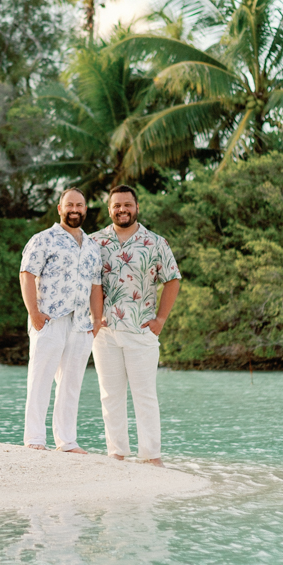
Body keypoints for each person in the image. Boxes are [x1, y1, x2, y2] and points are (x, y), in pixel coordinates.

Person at [91, 185, 181, 466]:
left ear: (136, 207)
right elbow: (88, 283)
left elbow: (172, 280)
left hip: (142, 331)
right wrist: (94, 318)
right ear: (109, 209)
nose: (122, 209)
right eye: (117, 205)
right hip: (105, 333)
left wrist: (160, 320)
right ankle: (116, 453)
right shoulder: (94, 242)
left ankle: (151, 456)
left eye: (127, 204)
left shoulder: (155, 242)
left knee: (145, 396)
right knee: (110, 395)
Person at [18, 188, 102, 452]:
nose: (74, 209)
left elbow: (96, 286)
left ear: (85, 209)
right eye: (69, 205)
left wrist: (97, 320)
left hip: (81, 324)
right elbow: (26, 275)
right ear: (60, 209)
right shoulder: (43, 239)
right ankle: (34, 439)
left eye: (79, 205)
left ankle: (66, 441)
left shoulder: (92, 246)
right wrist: (34, 313)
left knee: (71, 384)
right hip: (50, 320)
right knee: (40, 379)